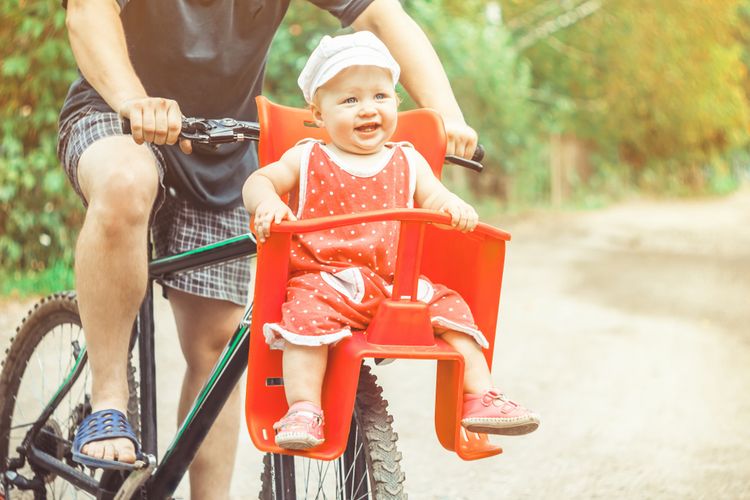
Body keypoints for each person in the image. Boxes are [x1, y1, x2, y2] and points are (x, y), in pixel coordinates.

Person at [59, 0, 481, 496]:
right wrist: (133, 99)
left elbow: (379, 14)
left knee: (215, 347)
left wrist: (446, 117)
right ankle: (108, 400)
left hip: (220, 141)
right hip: (117, 111)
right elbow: (89, 11)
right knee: (126, 182)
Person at [242, 31, 540, 451]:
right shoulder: (308, 156)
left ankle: (479, 395)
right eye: (350, 100)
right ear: (318, 113)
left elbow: (435, 196)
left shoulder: (407, 159)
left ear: (397, 103)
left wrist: (453, 205)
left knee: (453, 308)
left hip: (391, 285)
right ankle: (304, 408)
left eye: (380, 96)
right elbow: (259, 180)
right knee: (303, 321)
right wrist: (266, 203)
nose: (368, 109)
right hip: (325, 281)